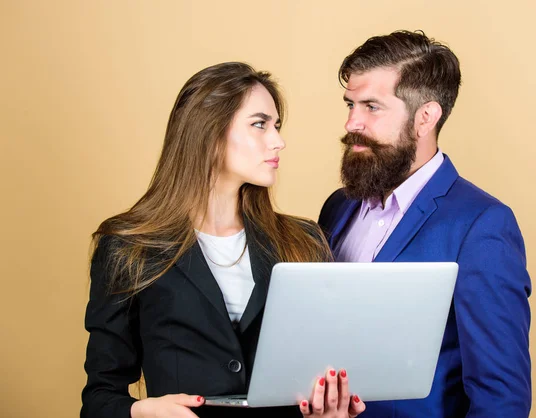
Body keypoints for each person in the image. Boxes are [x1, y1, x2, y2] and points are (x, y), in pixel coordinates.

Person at [81, 62, 366, 418]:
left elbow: (325, 371)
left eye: (276, 126)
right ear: (208, 132)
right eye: (259, 124)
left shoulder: (303, 240)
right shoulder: (128, 245)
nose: (278, 141)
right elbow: (99, 399)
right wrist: (141, 411)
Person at [318, 30, 532, 417]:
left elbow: (501, 398)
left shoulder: (483, 226)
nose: (352, 122)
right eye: (350, 104)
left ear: (425, 118)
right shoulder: (337, 207)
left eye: (371, 106)